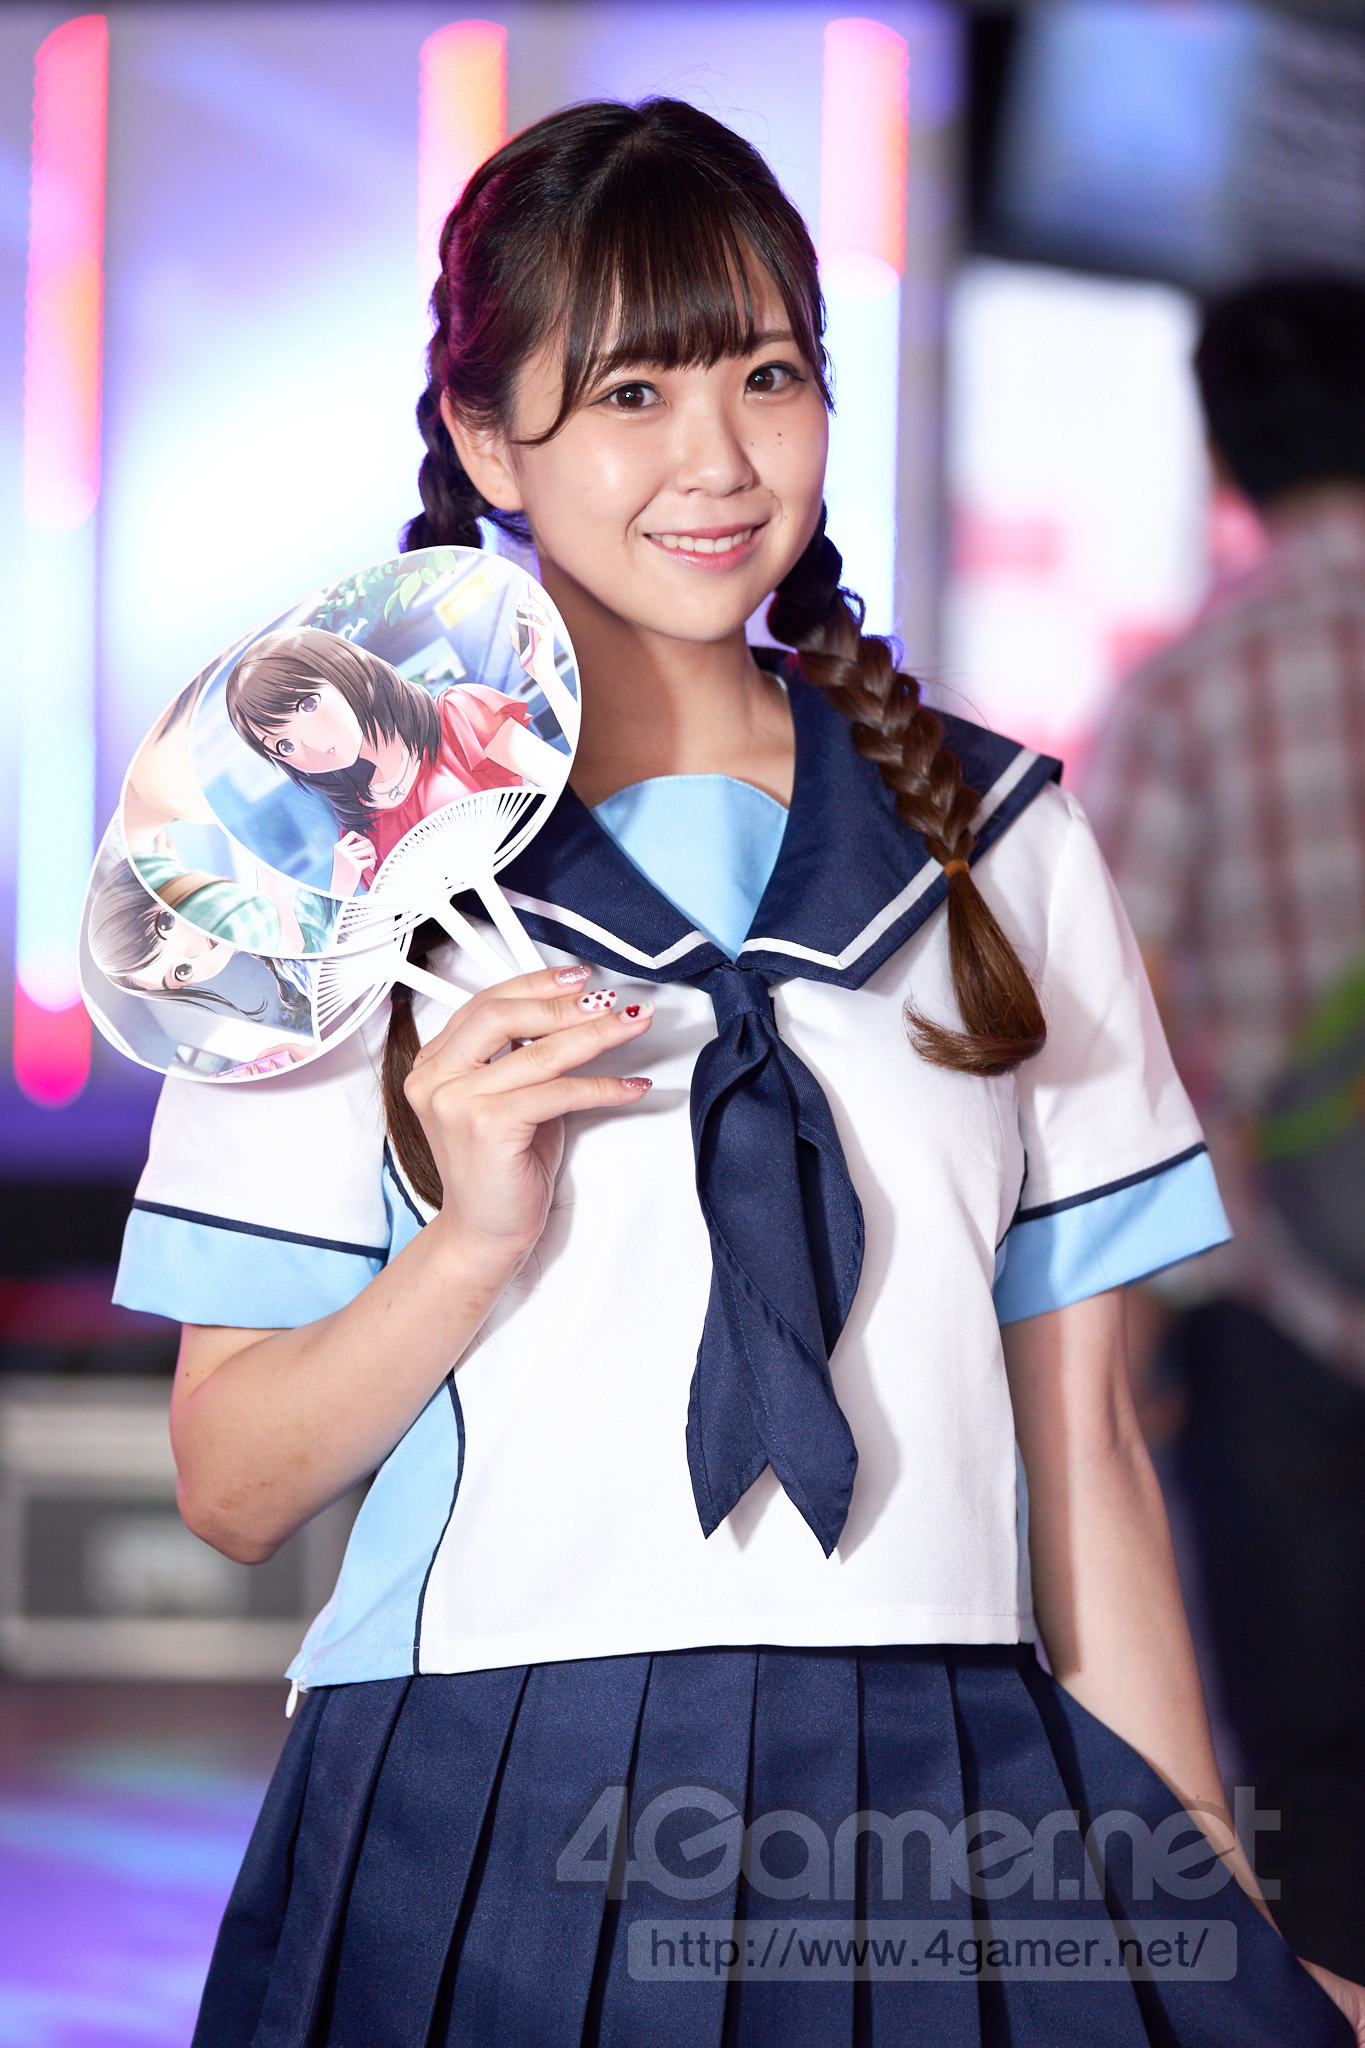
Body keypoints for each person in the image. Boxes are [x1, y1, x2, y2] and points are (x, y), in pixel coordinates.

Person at [113, 104, 1363, 2046]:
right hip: (487, 1800)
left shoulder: (1003, 840)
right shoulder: (326, 852)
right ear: (487, 439)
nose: (717, 458)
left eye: (767, 375)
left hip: (949, 1782)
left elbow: (1091, 1461)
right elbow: (229, 1484)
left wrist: (1217, 1930)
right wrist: (467, 1241)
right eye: (632, 390)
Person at [1084, 276, 1365, 1987]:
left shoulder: (1189, 688)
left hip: (1278, 1315)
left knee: (1311, 1779)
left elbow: (1091, 1008)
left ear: (1227, 456)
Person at [225, 620, 565, 887]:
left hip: (557, 876)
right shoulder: (357, 832)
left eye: (307, 705)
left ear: (344, 671)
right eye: (284, 746)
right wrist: (342, 885)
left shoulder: (458, 715)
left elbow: (563, 778)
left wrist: (546, 676)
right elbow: (403, 929)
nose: (310, 745)